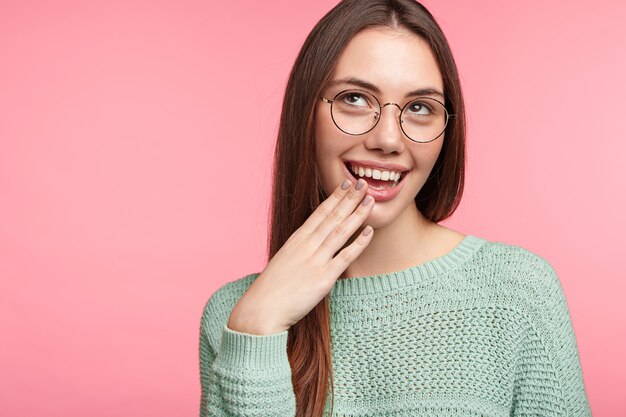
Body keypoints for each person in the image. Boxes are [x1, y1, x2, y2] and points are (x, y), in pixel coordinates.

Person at [198, 0, 592, 416]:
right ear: (304, 115)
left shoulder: (518, 291)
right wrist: (256, 333)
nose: (388, 138)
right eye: (354, 98)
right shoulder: (235, 314)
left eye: (420, 107)